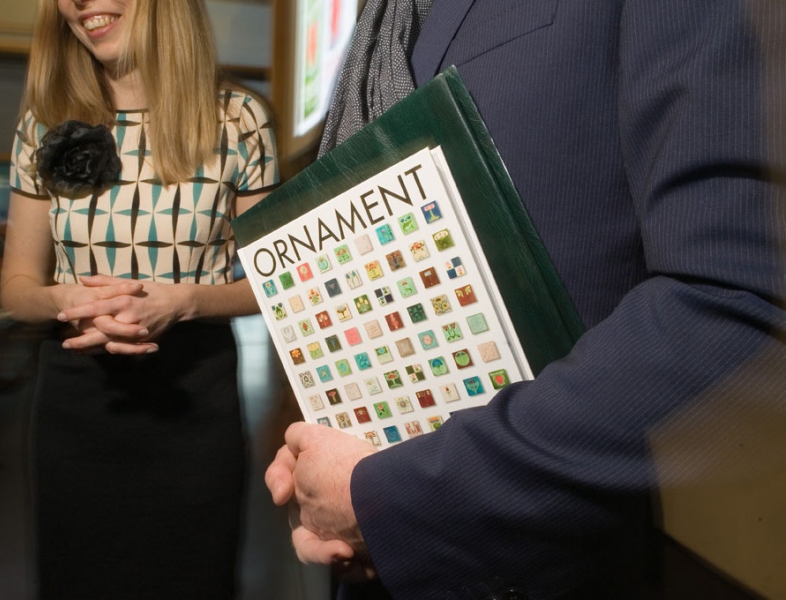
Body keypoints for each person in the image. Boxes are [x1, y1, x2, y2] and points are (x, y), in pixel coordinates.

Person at [266, 0, 786, 598]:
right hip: (372, 563)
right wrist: (323, 460)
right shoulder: (379, 21)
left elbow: (738, 302)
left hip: (546, 569)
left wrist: (387, 497)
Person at [0, 0, 278, 597]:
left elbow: (271, 283)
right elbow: (17, 290)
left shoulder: (239, 119)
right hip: (77, 408)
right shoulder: (43, 123)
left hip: (195, 403)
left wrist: (182, 301)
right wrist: (69, 300)